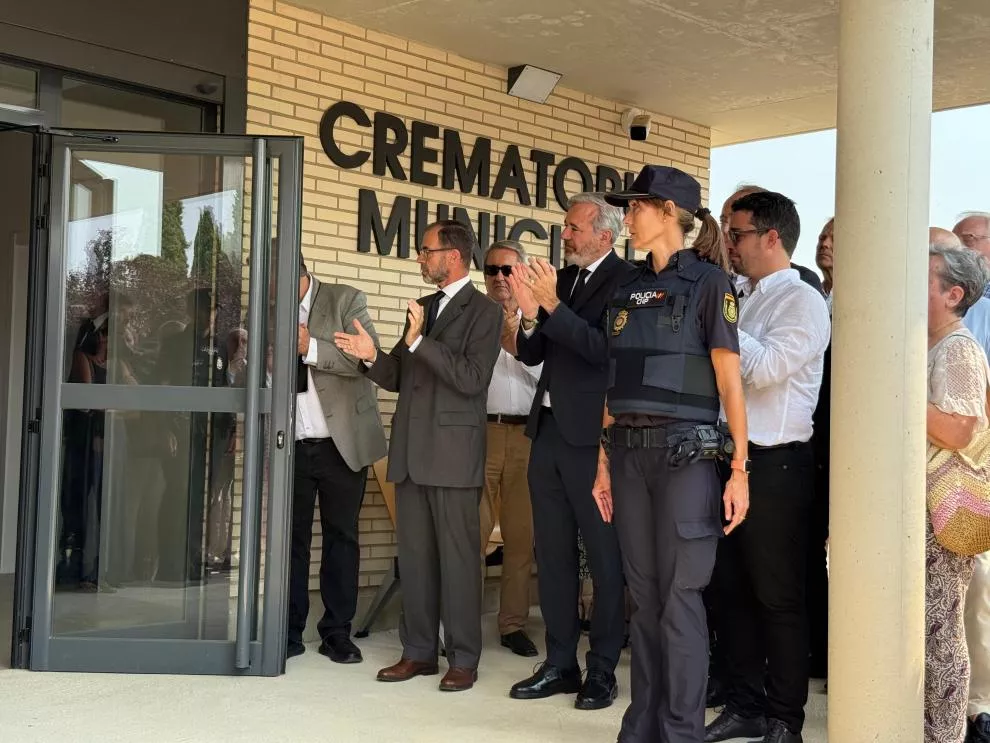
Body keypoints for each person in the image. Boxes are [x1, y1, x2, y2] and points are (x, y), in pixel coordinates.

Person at [590, 164, 750, 743]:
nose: (626, 216)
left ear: (668, 213)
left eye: (635, 207)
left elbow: (730, 383)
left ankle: (680, 733)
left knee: (680, 600)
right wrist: (603, 463)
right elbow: (615, 380)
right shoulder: (623, 287)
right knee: (645, 597)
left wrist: (740, 470)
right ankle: (642, 728)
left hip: (686, 461)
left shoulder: (710, 284)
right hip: (629, 459)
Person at [335, 219, 502, 692]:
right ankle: (419, 652)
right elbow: (398, 376)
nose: (419, 258)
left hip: (453, 457)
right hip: (410, 453)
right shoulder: (422, 309)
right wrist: (370, 356)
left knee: (459, 563)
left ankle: (464, 658)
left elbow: (471, 379)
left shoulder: (485, 312)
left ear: (452, 255)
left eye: (425, 250)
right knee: (415, 560)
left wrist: (419, 342)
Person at [705, 191, 830, 743]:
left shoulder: (802, 301)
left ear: (772, 237)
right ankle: (744, 705)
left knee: (777, 597)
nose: (729, 244)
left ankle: (785, 718)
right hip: (725, 460)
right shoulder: (739, 293)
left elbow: (764, 371)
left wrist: (721, 319)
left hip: (777, 465)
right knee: (728, 590)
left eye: (737, 234)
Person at [505, 193, 629, 710]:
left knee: (603, 560)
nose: (566, 236)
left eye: (575, 228)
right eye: (566, 227)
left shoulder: (626, 283)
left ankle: (602, 669)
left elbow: (605, 350)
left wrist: (550, 306)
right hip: (549, 432)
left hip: (594, 440)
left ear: (605, 234)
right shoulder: (564, 277)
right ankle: (560, 664)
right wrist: (525, 315)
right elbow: (535, 352)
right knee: (551, 556)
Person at [286, 254, 387, 663]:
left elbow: (366, 359)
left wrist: (309, 346)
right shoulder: (266, 311)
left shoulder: (347, 300)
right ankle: (288, 631)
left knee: (341, 538)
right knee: (290, 542)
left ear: (300, 273)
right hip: (288, 444)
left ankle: (337, 632)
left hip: (340, 445)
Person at [925, 240, 990, 743]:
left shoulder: (959, 348)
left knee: (940, 635)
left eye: (924, 279)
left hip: (940, 513)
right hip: (922, 510)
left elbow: (960, 430)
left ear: (953, 294)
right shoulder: (930, 344)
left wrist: (893, 387)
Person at [480, 239, 541, 658]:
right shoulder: (469, 317)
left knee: (521, 539)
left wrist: (516, 339)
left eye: (507, 270)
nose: (500, 277)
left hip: (526, 437)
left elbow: (546, 377)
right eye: (492, 270)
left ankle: (513, 625)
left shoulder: (541, 319)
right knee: (471, 536)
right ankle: (463, 625)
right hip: (479, 435)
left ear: (521, 274)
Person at [808, 216, 835, 681]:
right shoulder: (816, 292)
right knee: (808, 550)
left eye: (836, 238)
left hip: (841, 440)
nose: (827, 244)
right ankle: (815, 648)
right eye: (823, 238)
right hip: (809, 438)